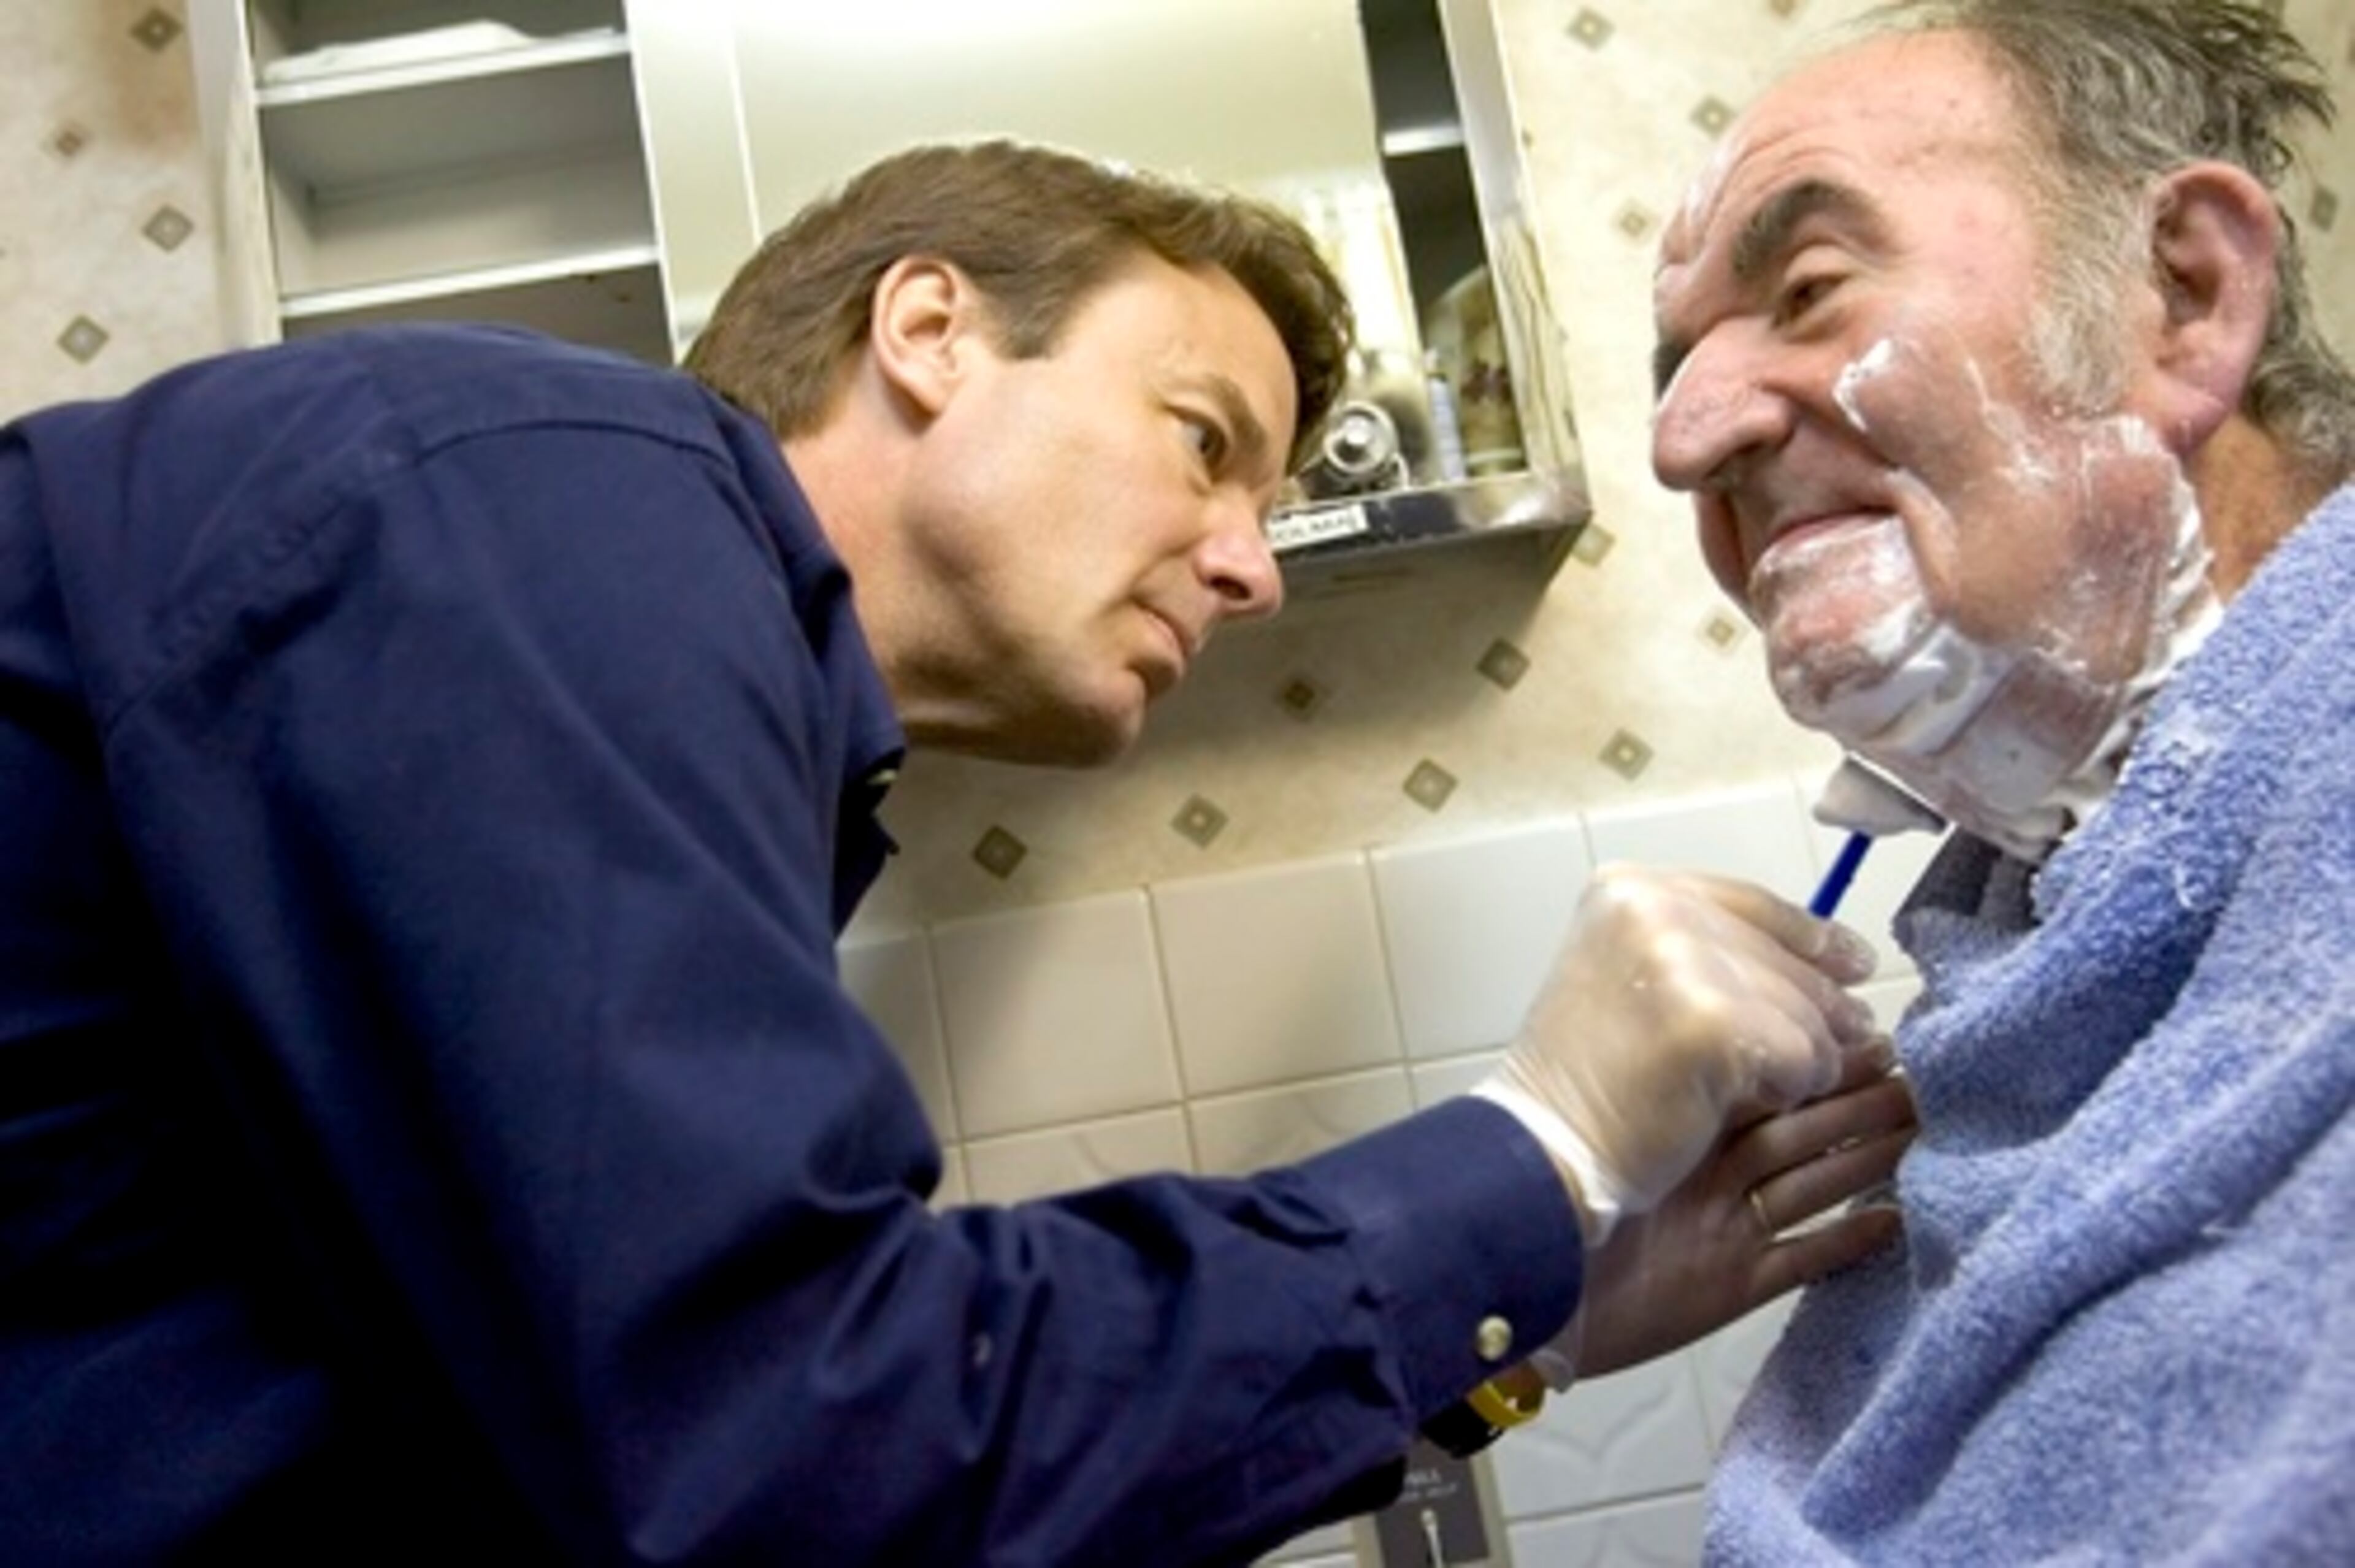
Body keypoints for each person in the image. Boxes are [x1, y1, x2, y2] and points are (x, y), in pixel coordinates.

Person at [0, 139, 1909, 1565]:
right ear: (928, 329)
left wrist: (1525, 1334)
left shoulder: (680, 693)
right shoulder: (558, 487)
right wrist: (1540, 1154)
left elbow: (616, 1453)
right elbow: (785, 1441)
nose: (1254, 566)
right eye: (1200, 438)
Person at [1648, 0, 2355, 1560]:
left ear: (2184, 296)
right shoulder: (2013, 938)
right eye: (1676, 359)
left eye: (1811, 287)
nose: (1683, 437)